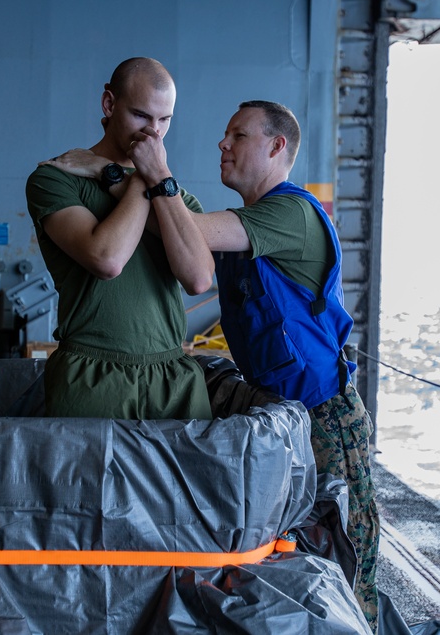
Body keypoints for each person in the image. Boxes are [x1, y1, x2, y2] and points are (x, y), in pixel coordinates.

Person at [46, 100, 380, 630]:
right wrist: (127, 175)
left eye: (237, 135)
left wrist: (132, 173)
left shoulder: (289, 213)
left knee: (346, 567)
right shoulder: (248, 222)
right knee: (286, 562)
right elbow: (170, 229)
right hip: (282, 421)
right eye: (224, 134)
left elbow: (187, 231)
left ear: (276, 147)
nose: (222, 144)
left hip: (324, 421)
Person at [26, 57, 214, 421]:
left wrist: (132, 174)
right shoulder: (57, 178)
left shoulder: (177, 198)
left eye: (165, 120)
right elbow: (107, 259)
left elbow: (199, 278)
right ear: (109, 105)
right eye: (142, 116)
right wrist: (144, 177)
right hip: (91, 376)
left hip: (173, 376)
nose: (153, 134)